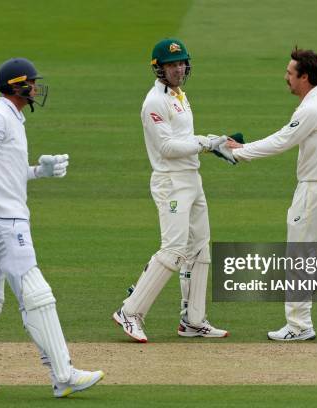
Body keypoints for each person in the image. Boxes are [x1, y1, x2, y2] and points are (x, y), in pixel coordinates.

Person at [0, 57, 104, 396]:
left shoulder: (13, 118)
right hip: (4, 223)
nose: (36, 88)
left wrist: (38, 172)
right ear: (17, 86)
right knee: (37, 294)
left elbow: (5, 173)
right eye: (31, 82)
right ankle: (63, 375)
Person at [224, 47, 317, 341]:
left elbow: (283, 140)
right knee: (310, 255)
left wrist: (241, 152)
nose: (286, 78)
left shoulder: (312, 108)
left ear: (305, 76)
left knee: (297, 257)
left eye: (290, 73)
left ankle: (299, 325)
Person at [112, 38, 229, 342]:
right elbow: (166, 147)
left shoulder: (179, 96)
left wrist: (212, 141)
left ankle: (193, 320)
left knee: (200, 248)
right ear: (159, 69)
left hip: (192, 179)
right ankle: (130, 311)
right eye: (172, 65)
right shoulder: (154, 101)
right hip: (171, 181)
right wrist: (206, 143)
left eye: (181, 63)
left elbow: (184, 137)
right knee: (174, 250)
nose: (179, 69)